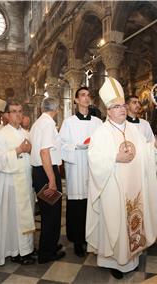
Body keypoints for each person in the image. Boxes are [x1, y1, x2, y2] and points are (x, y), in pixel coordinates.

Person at [86, 77, 157, 279]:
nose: (122, 109)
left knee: (132, 222)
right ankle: (113, 261)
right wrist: (115, 158)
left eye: (123, 105)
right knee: (115, 224)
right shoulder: (101, 133)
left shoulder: (134, 130)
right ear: (108, 111)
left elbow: (145, 152)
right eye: (116, 106)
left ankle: (131, 257)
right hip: (112, 189)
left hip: (134, 188)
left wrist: (155, 147)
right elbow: (94, 159)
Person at [59, 87, 102, 257]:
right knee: (77, 205)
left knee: (93, 203)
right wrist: (77, 146)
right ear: (76, 100)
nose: (86, 98)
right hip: (76, 167)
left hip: (93, 168)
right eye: (82, 95)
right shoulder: (69, 122)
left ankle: (92, 237)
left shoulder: (98, 123)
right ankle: (77, 240)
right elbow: (61, 144)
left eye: (88, 95)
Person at [0, 100, 36, 265]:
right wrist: (18, 150)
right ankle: (15, 251)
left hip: (26, 180)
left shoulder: (26, 132)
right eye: (14, 111)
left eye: (20, 111)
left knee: (26, 215)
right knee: (14, 217)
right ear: (7, 115)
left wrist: (30, 150)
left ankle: (27, 249)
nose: (18, 114)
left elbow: (31, 154)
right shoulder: (1, 135)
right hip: (11, 182)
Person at [29, 97, 65, 264]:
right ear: (56, 109)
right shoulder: (49, 123)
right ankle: (46, 253)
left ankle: (49, 245)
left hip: (40, 172)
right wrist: (52, 179)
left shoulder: (38, 123)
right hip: (46, 173)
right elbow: (45, 152)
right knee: (51, 213)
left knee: (48, 212)